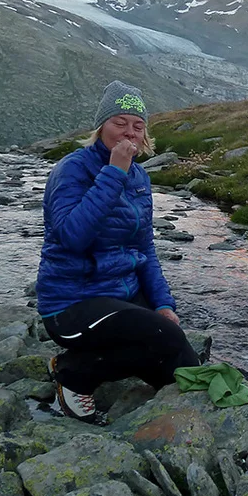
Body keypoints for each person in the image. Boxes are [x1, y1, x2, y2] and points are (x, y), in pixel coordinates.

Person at [36, 81, 200, 423]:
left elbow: (144, 249)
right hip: (70, 306)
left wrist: (164, 304)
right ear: (101, 127)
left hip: (120, 298)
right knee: (161, 335)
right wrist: (113, 172)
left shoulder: (140, 178)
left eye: (138, 126)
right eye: (119, 122)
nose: (129, 132)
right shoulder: (73, 169)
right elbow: (72, 237)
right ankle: (72, 374)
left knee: (181, 361)